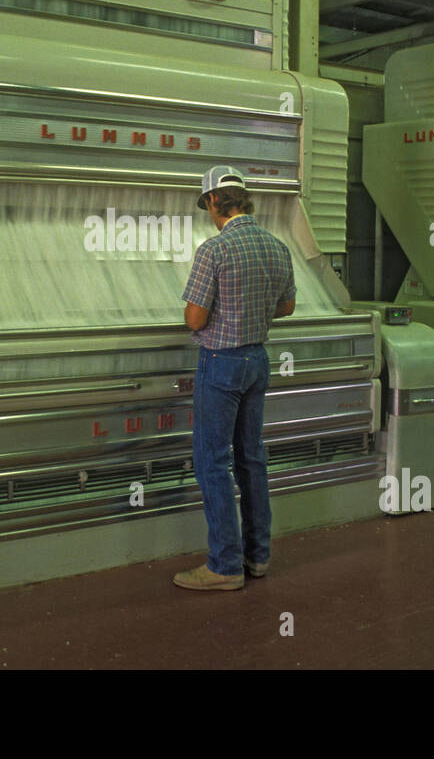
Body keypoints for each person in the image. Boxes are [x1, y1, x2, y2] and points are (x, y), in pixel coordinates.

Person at [175, 164, 295, 591]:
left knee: (212, 462)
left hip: (221, 364)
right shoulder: (277, 247)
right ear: (243, 199)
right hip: (257, 362)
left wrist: (220, 315)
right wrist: (249, 312)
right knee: (251, 458)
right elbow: (287, 308)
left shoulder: (214, 250)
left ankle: (224, 566)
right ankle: (256, 556)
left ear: (212, 201)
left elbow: (194, 318)